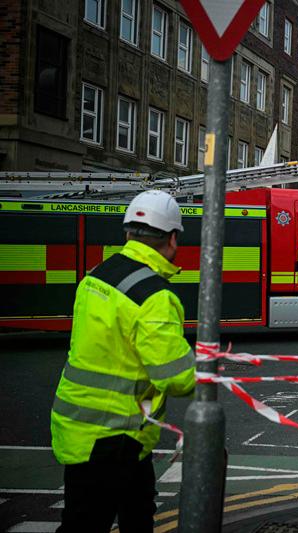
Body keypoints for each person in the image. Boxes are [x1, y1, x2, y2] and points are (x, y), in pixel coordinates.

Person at [51, 190, 196, 532]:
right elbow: (177, 378)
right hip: (113, 437)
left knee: (130, 512)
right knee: (90, 524)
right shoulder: (154, 297)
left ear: (128, 232)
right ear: (173, 239)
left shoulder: (96, 275)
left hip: (79, 426)